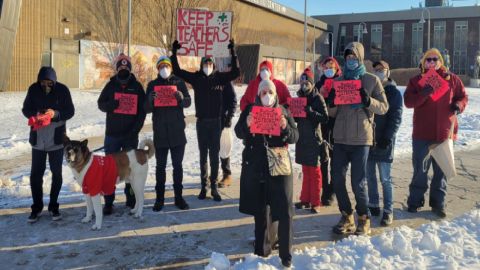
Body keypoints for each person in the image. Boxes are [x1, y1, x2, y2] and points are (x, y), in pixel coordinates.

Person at [235, 79, 298, 268]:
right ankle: (261, 253)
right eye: (263, 93)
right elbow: (238, 131)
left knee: (285, 210)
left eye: (270, 92)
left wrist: (285, 127)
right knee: (260, 211)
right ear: (258, 95)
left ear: (275, 94)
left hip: (279, 166)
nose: (267, 96)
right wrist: (246, 124)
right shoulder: (250, 111)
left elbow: (296, 135)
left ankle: (286, 255)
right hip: (257, 167)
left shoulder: (284, 111)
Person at [327, 42, 389, 236]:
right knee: (336, 179)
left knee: (358, 183)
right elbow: (333, 112)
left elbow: (384, 107)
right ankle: (346, 215)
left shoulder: (371, 80)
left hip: (361, 139)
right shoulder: (339, 81)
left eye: (354, 57)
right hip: (340, 137)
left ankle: (364, 217)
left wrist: (368, 101)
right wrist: (331, 102)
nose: (351, 60)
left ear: (360, 58)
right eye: (348, 57)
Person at [171, 39, 240, 201]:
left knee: (214, 156)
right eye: (205, 63)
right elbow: (178, 71)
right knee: (203, 156)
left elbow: (236, 73)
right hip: (202, 122)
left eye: (210, 63)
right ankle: (204, 186)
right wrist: (174, 53)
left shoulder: (220, 78)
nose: (207, 66)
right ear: (201, 65)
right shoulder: (196, 78)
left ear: (213, 65)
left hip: (216, 122)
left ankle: (214, 187)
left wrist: (233, 53)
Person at [404, 48, 468, 218]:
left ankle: (438, 203)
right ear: (423, 62)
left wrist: (458, 105)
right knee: (420, 170)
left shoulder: (452, 79)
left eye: (435, 59)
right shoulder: (416, 81)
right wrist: (423, 94)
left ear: (441, 61)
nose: (431, 62)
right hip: (421, 134)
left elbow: (463, 97)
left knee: (441, 171)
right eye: (428, 59)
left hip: (445, 133)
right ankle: (415, 201)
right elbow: (409, 102)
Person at [22, 66, 75, 222]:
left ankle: (53, 206)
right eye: (43, 82)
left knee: (57, 174)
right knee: (35, 175)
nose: (46, 85)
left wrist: (55, 114)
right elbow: (25, 109)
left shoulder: (63, 90)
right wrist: (35, 115)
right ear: (39, 81)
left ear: (54, 81)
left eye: (49, 83)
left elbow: (70, 111)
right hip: (38, 139)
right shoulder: (33, 89)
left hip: (56, 140)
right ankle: (37, 207)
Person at [97, 53, 146, 215]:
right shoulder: (110, 85)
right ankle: (109, 202)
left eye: (126, 67)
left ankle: (131, 199)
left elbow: (142, 111)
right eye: (121, 67)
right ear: (117, 69)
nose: (123, 69)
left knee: (130, 169)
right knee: (109, 169)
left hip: (130, 136)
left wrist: (135, 130)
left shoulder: (137, 87)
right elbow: (100, 104)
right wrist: (112, 105)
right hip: (112, 135)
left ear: (130, 69)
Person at [144, 56, 191, 211]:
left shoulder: (179, 83)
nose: (164, 68)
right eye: (161, 66)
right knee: (160, 167)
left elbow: (188, 102)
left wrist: (181, 98)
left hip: (177, 132)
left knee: (177, 167)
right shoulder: (152, 85)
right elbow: (146, 109)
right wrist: (150, 100)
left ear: (170, 68)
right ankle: (160, 199)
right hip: (161, 133)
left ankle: (179, 198)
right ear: (157, 69)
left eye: (166, 66)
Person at [367, 60, 403, 226]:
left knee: (385, 178)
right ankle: (373, 204)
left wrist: (387, 137)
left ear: (388, 72)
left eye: (382, 70)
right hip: (369, 140)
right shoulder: (371, 90)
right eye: (376, 70)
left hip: (384, 141)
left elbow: (396, 117)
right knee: (370, 176)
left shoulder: (393, 92)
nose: (378, 72)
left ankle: (388, 210)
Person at [294, 68, 329, 213]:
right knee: (305, 171)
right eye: (302, 81)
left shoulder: (317, 97)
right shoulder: (298, 97)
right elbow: (296, 118)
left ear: (312, 83)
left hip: (314, 140)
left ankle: (316, 201)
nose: (304, 84)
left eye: (307, 81)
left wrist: (310, 112)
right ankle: (305, 199)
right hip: (302, 139)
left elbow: (325, 117)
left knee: (315, 172)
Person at [315, 56, 343, 206]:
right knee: (323, 160)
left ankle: (333, 189)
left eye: (331, 67)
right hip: (322, 128)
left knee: (335, 161)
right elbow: (312, 101)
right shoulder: (319, 83)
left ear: (336, 68)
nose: (328, 70)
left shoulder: (342, 82)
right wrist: (319, 94)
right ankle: (325, 191)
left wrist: (331, 100)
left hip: (337, 126)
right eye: (326, 67)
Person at [218, 69, 237, 188]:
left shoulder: (224, 80)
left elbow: (233, 101)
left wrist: (229, 116)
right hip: (210, 120)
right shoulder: (207, 80)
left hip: (223, 120)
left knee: (224, 147)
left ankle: (227, 174)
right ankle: (214, 174)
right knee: (212, 149)